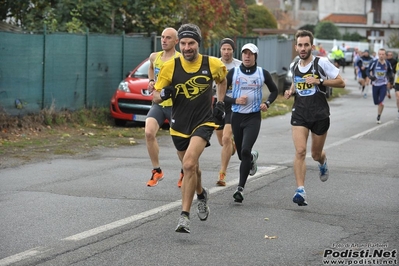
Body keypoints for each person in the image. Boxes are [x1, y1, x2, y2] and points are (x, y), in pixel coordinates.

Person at [152, 23, 228, 233]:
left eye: (191, 43)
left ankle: (184, 216)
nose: (187, 47)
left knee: (188, 165)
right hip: (179, 125)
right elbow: (156, 95)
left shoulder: (212, 64)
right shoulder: (170, 67)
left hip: (203, 122)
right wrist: (164, 94)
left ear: (198, 44)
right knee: (192, 167)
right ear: (180, 44)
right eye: (184, 43)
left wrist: (220, 104)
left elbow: (222, 80)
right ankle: (202, 194)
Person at [284, 30, 345, 206]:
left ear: (311, 46)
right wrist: (291, 90)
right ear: (296, 47)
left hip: (319, 114)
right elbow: (297, 81)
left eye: (306, 45)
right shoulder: (294, 65)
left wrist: (320, 81)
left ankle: (322, 161)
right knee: (300, 151)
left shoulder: (322, 63)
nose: (303, 48)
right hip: (300, 113)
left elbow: (341, 82)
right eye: (300, 45)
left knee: (315, 153)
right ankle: (300, 190)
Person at [226, 43, 278, 203]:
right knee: (243, 155)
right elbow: (221, 95)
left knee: (246, 150)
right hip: (237, 116)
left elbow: (275, 91)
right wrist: (235, 99)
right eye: (245, 53)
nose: (247, 56)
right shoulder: (233, 73)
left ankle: (240, 189)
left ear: (255, 56)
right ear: (241, 55)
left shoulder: (263, 73)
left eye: (250, 54)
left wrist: (267, 103)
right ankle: (251, 159)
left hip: (253, 118)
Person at [144, 27, 183, 187]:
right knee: (148, 132)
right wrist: (151, 81)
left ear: (176, 41)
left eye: (168, 38)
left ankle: (185, 171)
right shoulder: (155, 56)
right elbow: (151, 67)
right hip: (158, 104)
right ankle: (157, 170)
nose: (164, 40)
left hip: (176, 106)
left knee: (179, 142)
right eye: (162, 37)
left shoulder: (181, 59)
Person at [215, 38, 242, 186]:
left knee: (225, 139)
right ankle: (233, 145)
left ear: (233, 50)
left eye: (229, 49)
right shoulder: (215, 64)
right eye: (224, 49)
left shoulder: (239, 65)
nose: (226, 52)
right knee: (223, 142)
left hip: (233, 105)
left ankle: (222, 175)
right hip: (218, 105)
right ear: (220, 50)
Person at [367, 48, 394, 124]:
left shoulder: (387, 63)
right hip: (375, 84)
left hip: (383, 84)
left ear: (385, 55)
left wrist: (390, 81)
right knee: (376, 102)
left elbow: (391, 72)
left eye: (383, 54)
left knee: (381, 101)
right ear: (378, 55)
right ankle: (379, 106)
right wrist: (370, 77)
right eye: (380, 54)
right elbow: (367, 70)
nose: (381, 56)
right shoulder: (374, 62)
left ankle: (379, 116)